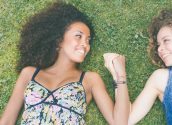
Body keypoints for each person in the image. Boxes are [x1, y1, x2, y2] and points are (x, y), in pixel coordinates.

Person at [0, 2, 129, 125]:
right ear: (59, 39)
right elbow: (6, 121)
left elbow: (119, 122)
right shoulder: (29, 73)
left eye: (88, 40)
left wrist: (121, 74)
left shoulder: (90, 79)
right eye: (78, 36)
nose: (85, 44)